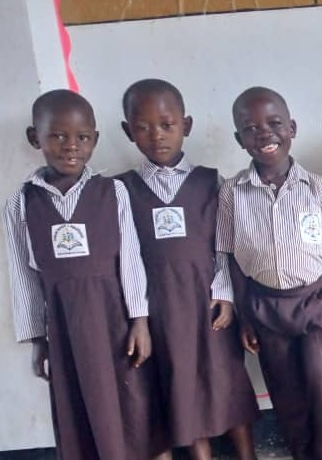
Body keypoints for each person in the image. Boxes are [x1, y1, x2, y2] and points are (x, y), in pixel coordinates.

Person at [4, 89, 164, 460]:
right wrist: (37, 339)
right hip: (64, 326)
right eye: (57, 135)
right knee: (79, 407)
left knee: (130, 404)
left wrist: (140, 321)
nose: (70, 146)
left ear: (95, 139)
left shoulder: (113, 191)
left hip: (115, 321)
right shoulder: (22, 201)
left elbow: (131, 259)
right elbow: (24, 276)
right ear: (35, 137)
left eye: (82, 137)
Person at [117, 78, 260, 460]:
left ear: (187, 126)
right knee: (183, 384)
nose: (156, 136)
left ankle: (247, 454)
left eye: (166, 125)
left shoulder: (212, 181)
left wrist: (225, 294)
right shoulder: (122, 190)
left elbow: (226, 245)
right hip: (162, 308)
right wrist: (140, 316)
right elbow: (126, 258)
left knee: (226, 380)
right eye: (143, 127)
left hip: (209, 302)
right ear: (128, 132)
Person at [216, 87, 322, 460]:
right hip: (265, 305)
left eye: (274, 123)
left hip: (317, 300)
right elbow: (231, 258)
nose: (264, 133)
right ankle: (303, 453)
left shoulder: (318, 188)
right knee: (287, 393)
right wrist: (245, 314)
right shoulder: (232, 193)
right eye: (251, 128)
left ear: (292, 128)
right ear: (239, 139)